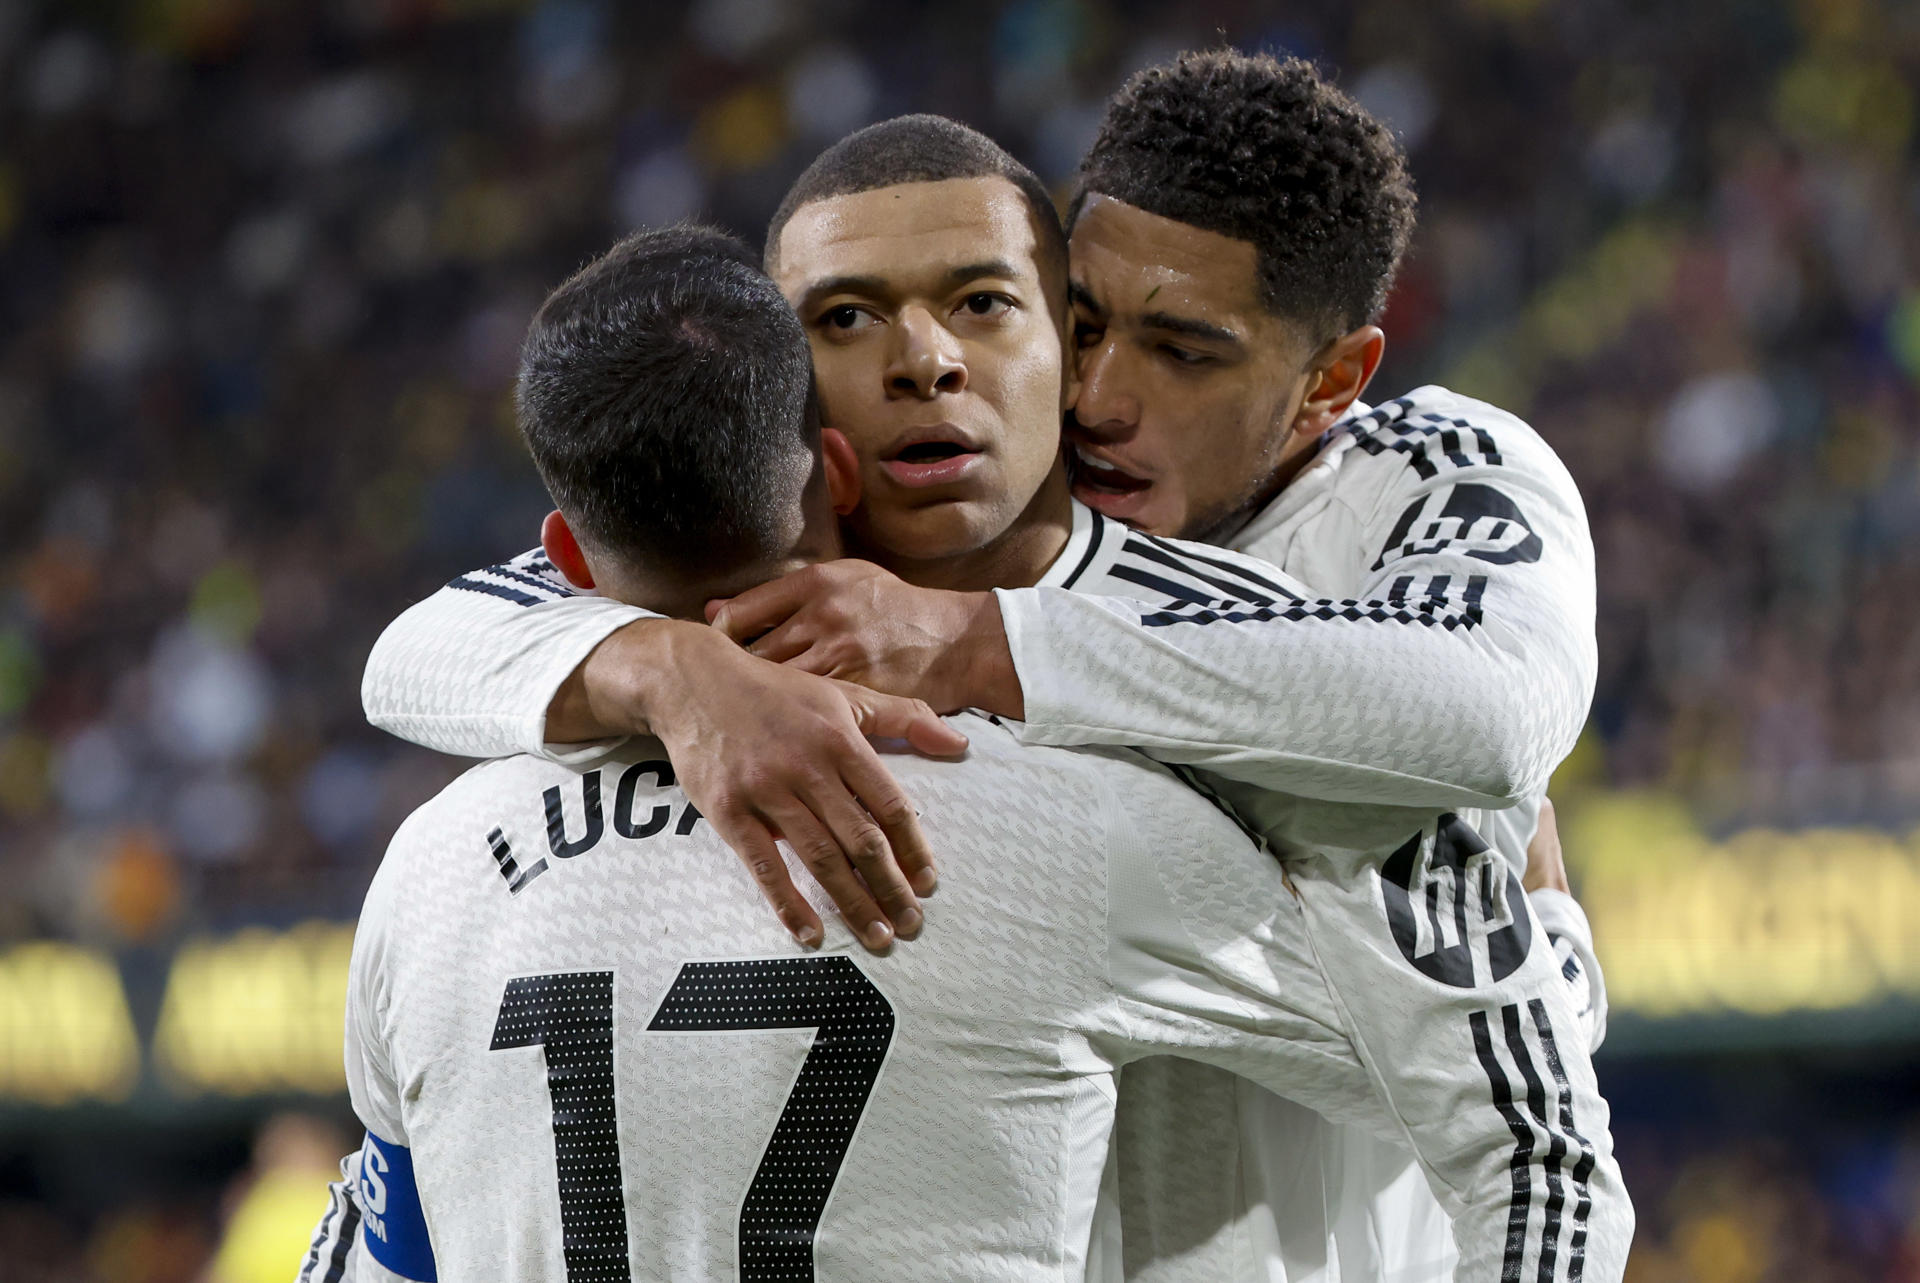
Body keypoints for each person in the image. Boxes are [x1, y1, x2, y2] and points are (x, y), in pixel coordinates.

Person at [360, 108, 1630, 1281]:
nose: (926, 359)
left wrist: (976, 642)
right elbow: (422, 645)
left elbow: (1531, 1123)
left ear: (1050, 339)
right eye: (845, 319)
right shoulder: (700, 620)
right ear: (783, 383)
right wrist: (665, 668)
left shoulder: (1305, 652)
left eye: (984, 304)